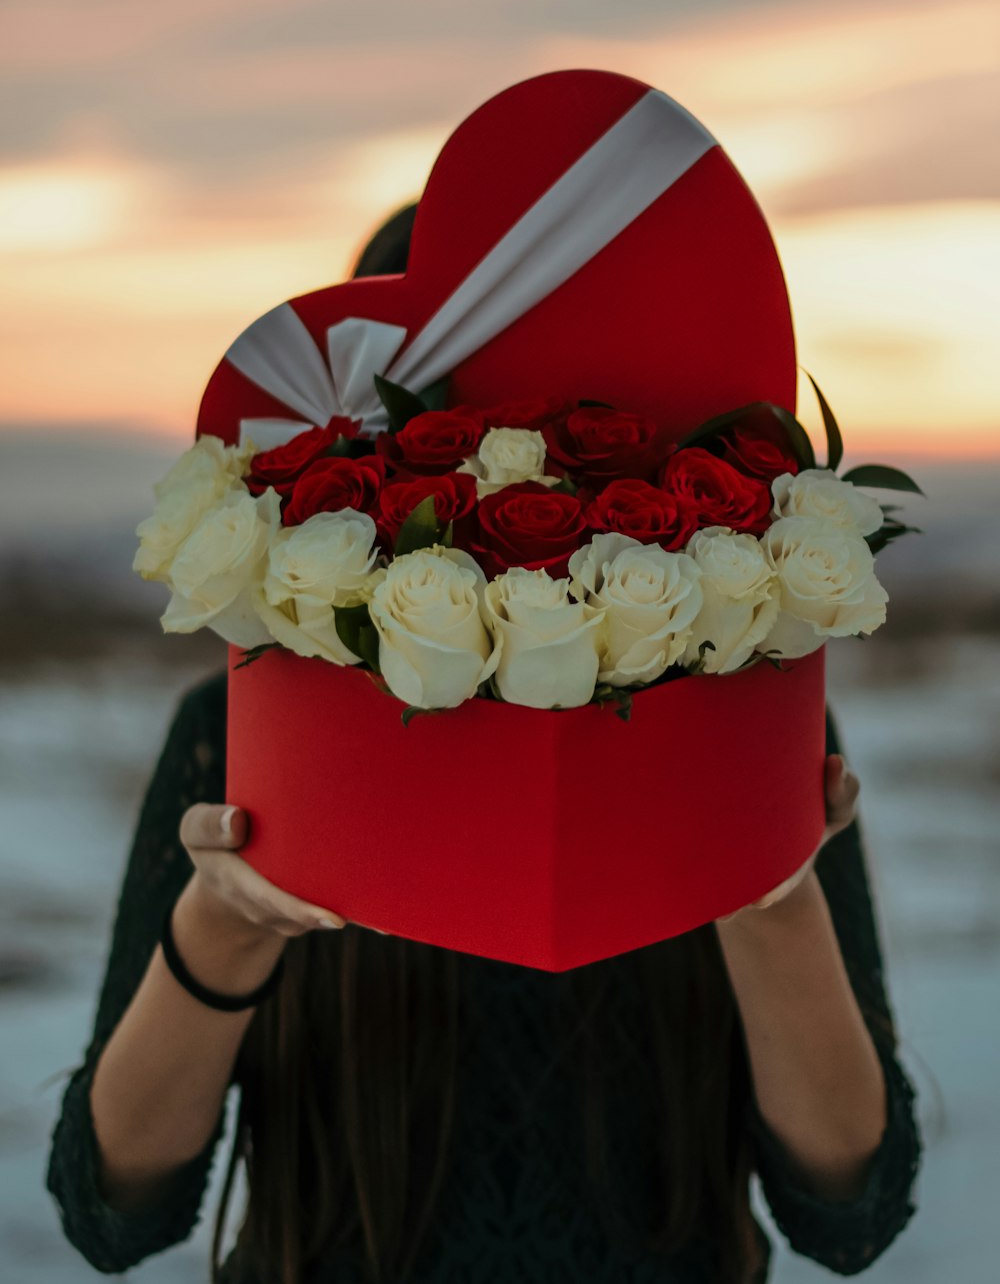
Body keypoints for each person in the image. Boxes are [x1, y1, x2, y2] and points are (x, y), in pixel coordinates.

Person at [47, 203, 922, 1284]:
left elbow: (851, 1208)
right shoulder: (230, 734)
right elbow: (114, 1208)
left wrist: (768, 898)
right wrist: (227, 924)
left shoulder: (743, 722)